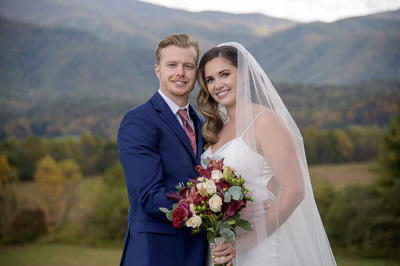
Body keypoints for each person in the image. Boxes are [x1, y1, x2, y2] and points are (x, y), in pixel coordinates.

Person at [197, 42, 337, 265]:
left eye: (225, 74)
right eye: (210, 79)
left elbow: (294, 189)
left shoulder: (264, 120)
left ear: (244, 74)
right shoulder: (217, 128)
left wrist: (246, 242)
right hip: (224, 245)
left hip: (262, 246)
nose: (217, 85)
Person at [117, 33, 235, 266]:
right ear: (158, 70)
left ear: (196, 74)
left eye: (188, 66)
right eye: (172, 65)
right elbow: (150, 197)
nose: (180, 72)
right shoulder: (139, 121)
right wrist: (211, 210)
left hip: (198, 253)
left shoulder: (202, 123)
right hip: (155, 254)